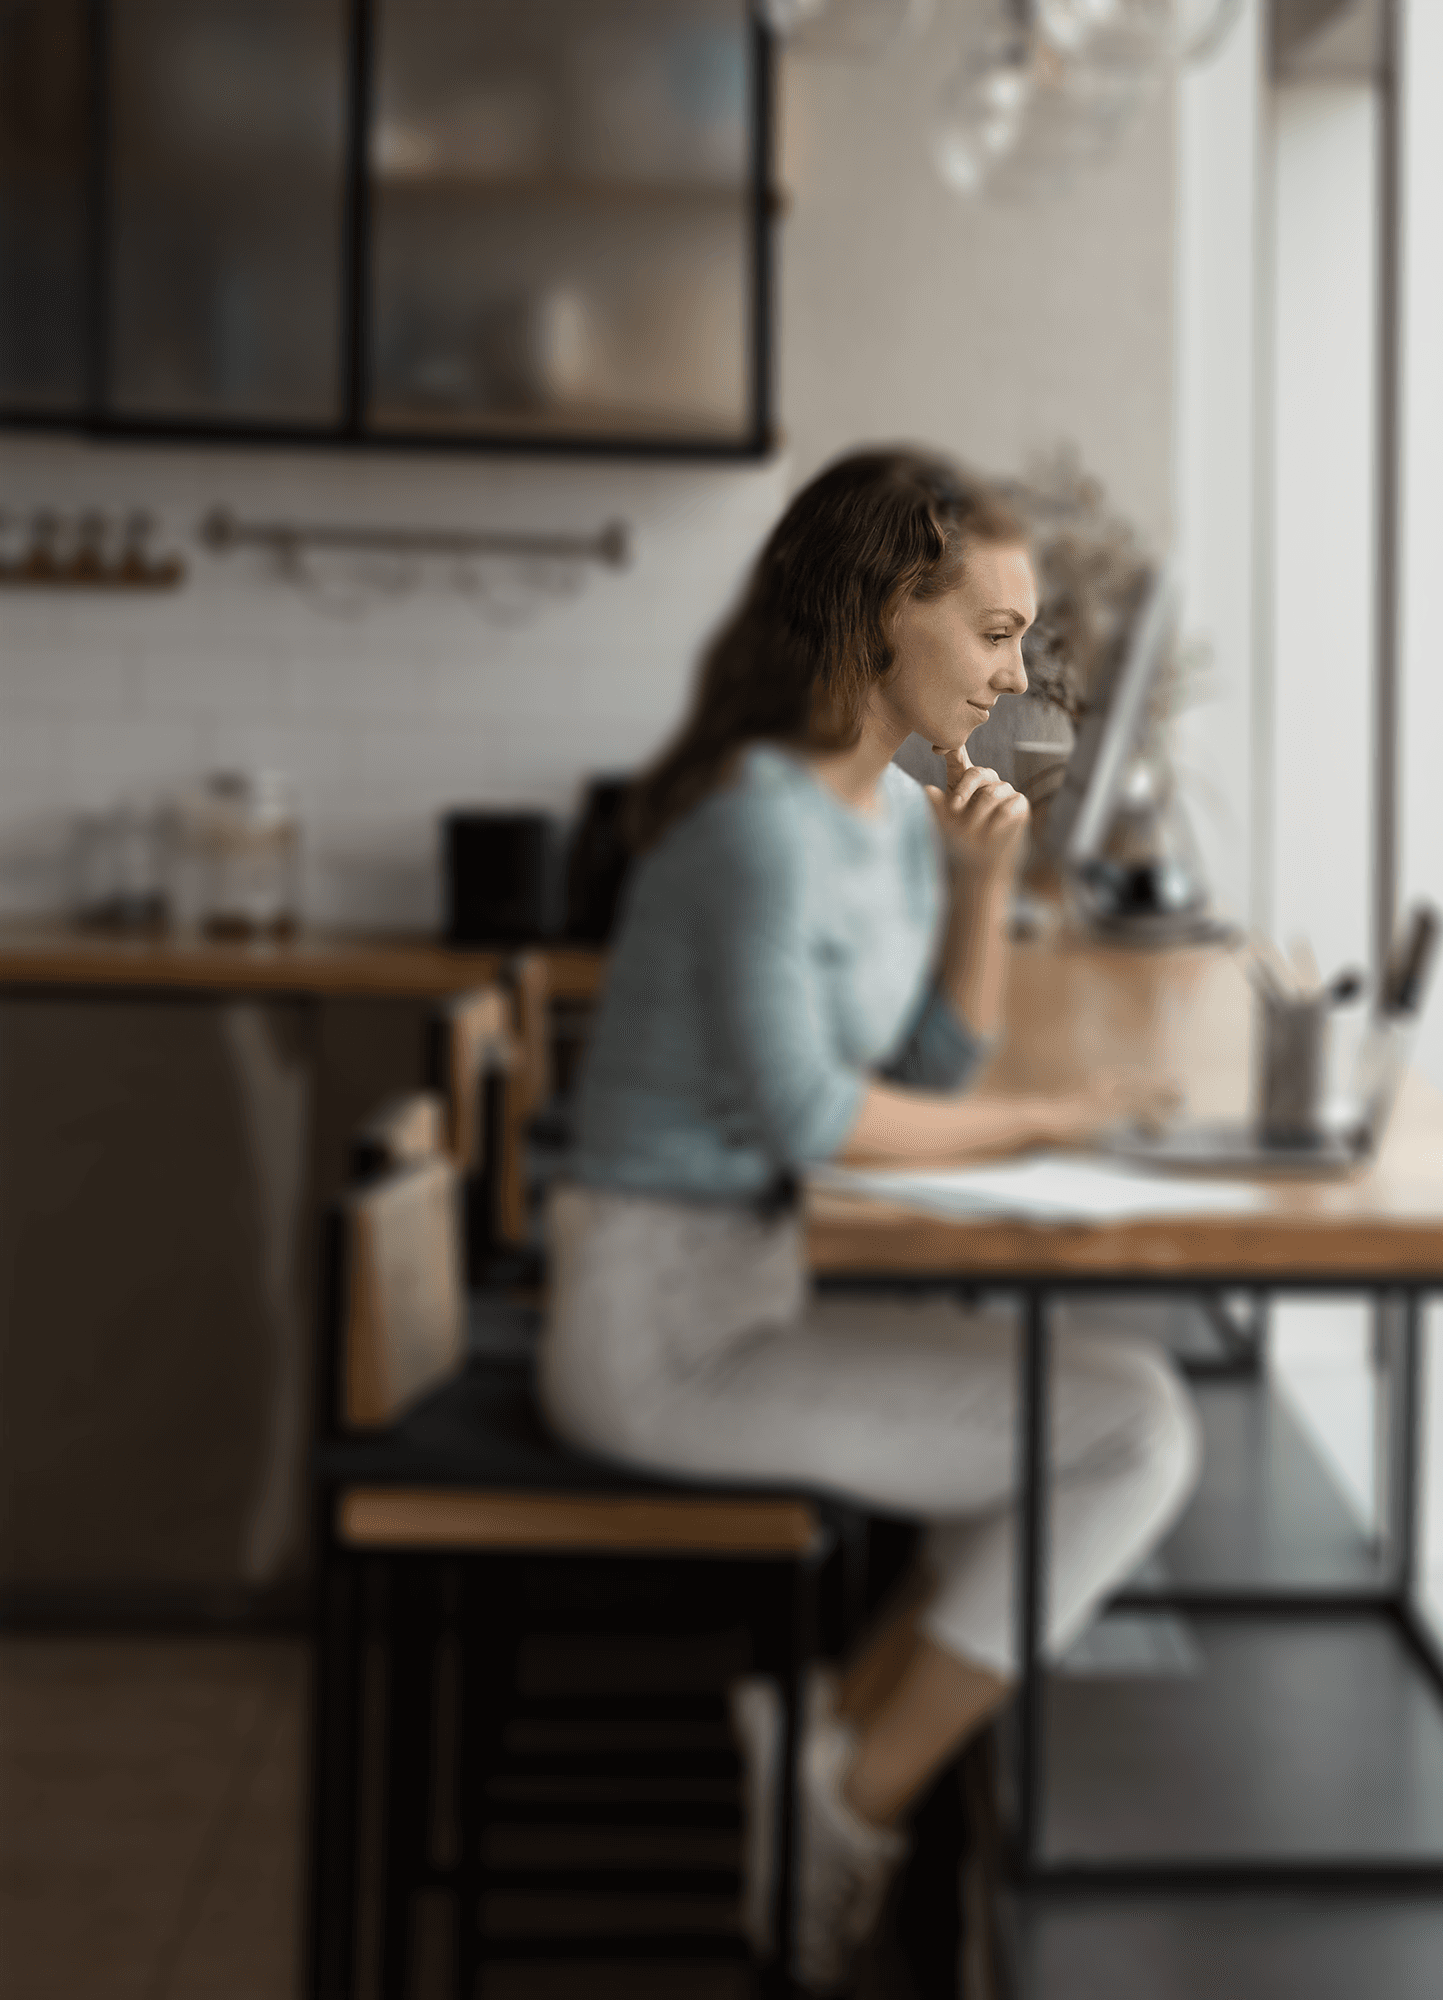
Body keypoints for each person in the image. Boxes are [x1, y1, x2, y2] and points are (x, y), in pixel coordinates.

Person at [540, 446, 1201, 1991]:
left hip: (748, 1299)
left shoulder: (885, 815)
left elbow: (917, 1071)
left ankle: (831, 1741)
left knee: (1091, 1421)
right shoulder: (754, 831)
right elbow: (813, 1119)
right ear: (876, 616)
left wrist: (982, 890)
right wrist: (1049, 1124)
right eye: (991, 633)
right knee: (1125, 1435)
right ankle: (854, 1797)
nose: (1016, 671)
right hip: (658, 1341)